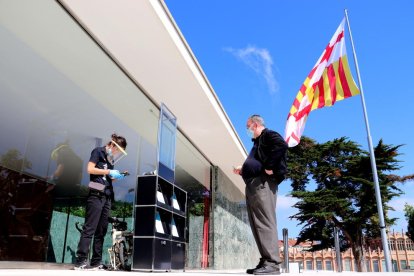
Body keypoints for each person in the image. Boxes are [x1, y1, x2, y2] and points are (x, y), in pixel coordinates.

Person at [233, 115, 288, 275]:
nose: (247, 130)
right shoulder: (258, 143)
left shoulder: (269, 135)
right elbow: (256, 163)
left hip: (263, 184)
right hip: (253, 184)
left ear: (255, 125)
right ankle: (266, 260)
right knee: (257, 223)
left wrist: (270, 166)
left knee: (264, 221)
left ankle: (272, 263)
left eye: (248, 126)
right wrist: (244, 170)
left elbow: (281, 145)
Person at [74, 133, 128, 270]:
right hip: (96, 192)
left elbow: (108, 178)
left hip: (107, 196)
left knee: (101, 230)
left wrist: (117, 176)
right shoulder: (98, 151)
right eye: (118, 150)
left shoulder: (110, 160)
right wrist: (109, 172)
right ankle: (80, 261)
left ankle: (96, 262)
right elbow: (90, 169)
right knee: (89, 228)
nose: (117, 154)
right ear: (113, 145)